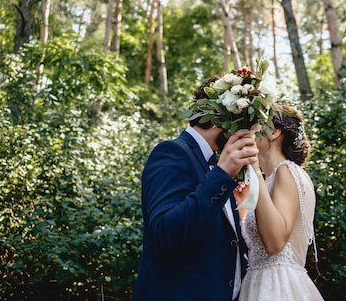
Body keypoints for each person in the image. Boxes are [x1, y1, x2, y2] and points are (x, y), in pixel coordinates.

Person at [131, 77, 259, 301]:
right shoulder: (172, 152)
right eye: (242, 118)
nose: (246, 130)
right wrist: (221, 175)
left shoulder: (220, 167)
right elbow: (166, 234)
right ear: (218, 113)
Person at [236, 105, 324, 301]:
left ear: (274, 132)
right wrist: (243, 205)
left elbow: (275, 242)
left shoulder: (286, 171)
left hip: (278, 286)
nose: (248, 133)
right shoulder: (268, 181)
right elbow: (253, 238)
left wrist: (254, 170)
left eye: (255, 126)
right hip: (255, 284)